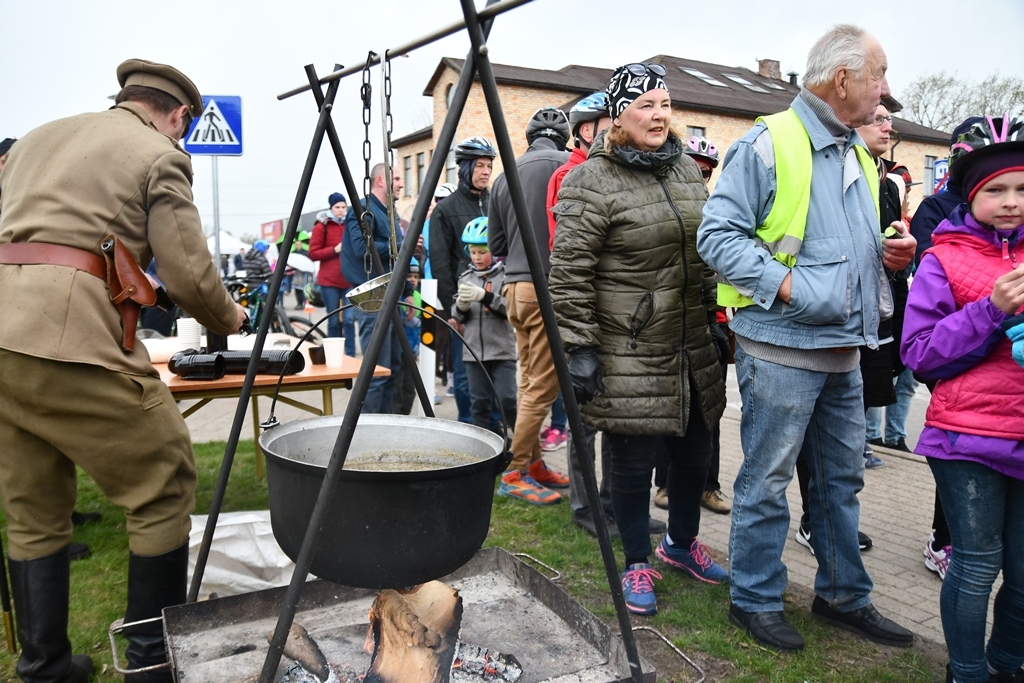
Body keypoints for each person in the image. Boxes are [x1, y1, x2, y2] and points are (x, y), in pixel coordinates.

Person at [0, 58, 246, 683]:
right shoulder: (158, 153)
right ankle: (152, 665)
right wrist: (233, 318)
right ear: (179, 116)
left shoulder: (35, 140)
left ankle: (46, 667)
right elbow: (189, 273)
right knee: (163, 482)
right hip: (66, 337)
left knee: (33, 508)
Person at [697, 25, 916, 652]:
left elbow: (830, 244)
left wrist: (886, 253)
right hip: (781, 347)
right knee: (766, 481)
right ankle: (756, 600)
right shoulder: (769, 142)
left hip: (841, 349)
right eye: (879, 75)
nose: (886, 91)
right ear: (842, 79)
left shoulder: (854, 149)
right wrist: (789, 290)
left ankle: (844, 596)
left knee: (840, 481)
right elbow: (717, 239)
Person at [550, 62, 728, 616]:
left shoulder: (683, 172)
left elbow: (702, 255)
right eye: (645, 104)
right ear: (617, 114)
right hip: (627, 346)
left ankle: (679, 546)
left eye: (665, 104)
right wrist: (578, 349)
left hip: (689, 341)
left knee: (694, 454)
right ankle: (635, 563)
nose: (658, 114)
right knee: (629, 466)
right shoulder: (591, 178)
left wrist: (714, 322)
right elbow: (569, 270)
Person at [902, 114, 1024, 683]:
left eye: (1023, 189)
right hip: (967, 437)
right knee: (977, 564)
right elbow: (920, 353)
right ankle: (968, 672)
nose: (1011, 202)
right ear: (971, 195)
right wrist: (990, 310)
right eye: (995, 190)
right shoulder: (942, 259)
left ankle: (1006, 664)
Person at [910, 116, 984, 582]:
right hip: (959, 363)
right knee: (962, 451)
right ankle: (943, 538)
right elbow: (927, 282)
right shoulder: (938, 209)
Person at [489, 108, 572, 504]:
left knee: (528, 380)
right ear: (565, 136)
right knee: (544, 384)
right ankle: (515, 469)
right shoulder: (571, 165)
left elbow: (496, 248)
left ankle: (534, 463)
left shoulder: (504, 174)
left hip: (514, 290)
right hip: (548, 288)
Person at [683, 135, 734, 516]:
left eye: (705, 174)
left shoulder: (719, 210)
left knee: (711, 413)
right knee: (672, 411)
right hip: (672, 325)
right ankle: (667, 485)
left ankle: (708, 487)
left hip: (712, 322)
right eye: (693, 170)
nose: (699, 179)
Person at [429, 137, 495, 424]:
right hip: (464, 308)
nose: (485, 172)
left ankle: (497, 431)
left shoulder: (497, 201)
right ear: (465, 168)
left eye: (489, 166)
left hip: (496, 304)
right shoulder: (446, 210)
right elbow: (441, 265)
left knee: (497, 373)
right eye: (480, 165)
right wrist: (454, 311)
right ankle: (470, 430)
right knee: (467, 375)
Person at [341, 163, 413, 413]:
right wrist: (401, 244)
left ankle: (387, 428)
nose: (402, 184)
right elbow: (363, 250)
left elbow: (396, 259)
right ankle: (369, 431)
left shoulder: (388, 212)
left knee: (394, 369)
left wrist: (408, 293)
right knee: (378, 372)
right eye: (397, 179)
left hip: (391, 298)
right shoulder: (362, 210)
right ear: (381, 181)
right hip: (372, 302)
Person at [450, 217, 518, 435]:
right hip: (474, 354)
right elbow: (458, 317)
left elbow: (511, 309)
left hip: (502, 351)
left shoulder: (506, 276)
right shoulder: (465, 278)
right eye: (473, 252)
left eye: (482, 251)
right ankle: (483, 451)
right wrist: (460, 306)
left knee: (507, 399)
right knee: (478, 405)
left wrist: (486, 296)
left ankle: (519, 441)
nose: (477, 257)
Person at [309, 192, 356, 354]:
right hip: (329, 281)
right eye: (337, 207)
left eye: (344, 207)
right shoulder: (321, 226)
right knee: (334, 320)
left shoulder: (351, 224)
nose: (341, 210)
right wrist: (334, 250)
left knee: (349, 319)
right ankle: (333, 353)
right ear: (331, 208)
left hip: (349, 279)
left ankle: (350, 353)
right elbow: (313, 253)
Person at [395, 259, 423, 415]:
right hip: (398, 351)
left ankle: (405, 417)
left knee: (409, 391)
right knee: (397, 389)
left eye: (415, 276)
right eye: (408, 276)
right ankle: (397, 418)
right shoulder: (398, 297)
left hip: (412, 352)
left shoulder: (418, 297)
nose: (412, 279)